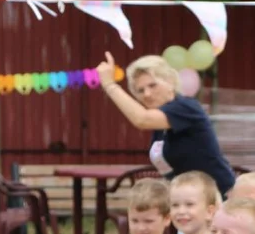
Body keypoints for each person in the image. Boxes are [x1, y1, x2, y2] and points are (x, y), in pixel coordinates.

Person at [97, 53, 235, 197]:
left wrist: (109, 84)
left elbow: (142, 119)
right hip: (188, 197)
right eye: (140, 90)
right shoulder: (161, 122)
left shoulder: (185, 107)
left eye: (152, 85)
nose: (147, 94)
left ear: (170, 82)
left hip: (218, 195)